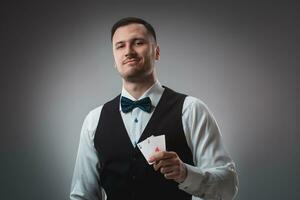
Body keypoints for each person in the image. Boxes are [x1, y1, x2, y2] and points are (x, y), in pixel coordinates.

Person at [70, 17, 238, 200]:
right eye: (120, 46)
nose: (128, 51)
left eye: (138, 42)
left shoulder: (191, 110)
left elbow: (228, 186)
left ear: (156, 52)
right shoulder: (93, 121)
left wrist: (185, 174)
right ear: (114, 58)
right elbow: (82, 196)